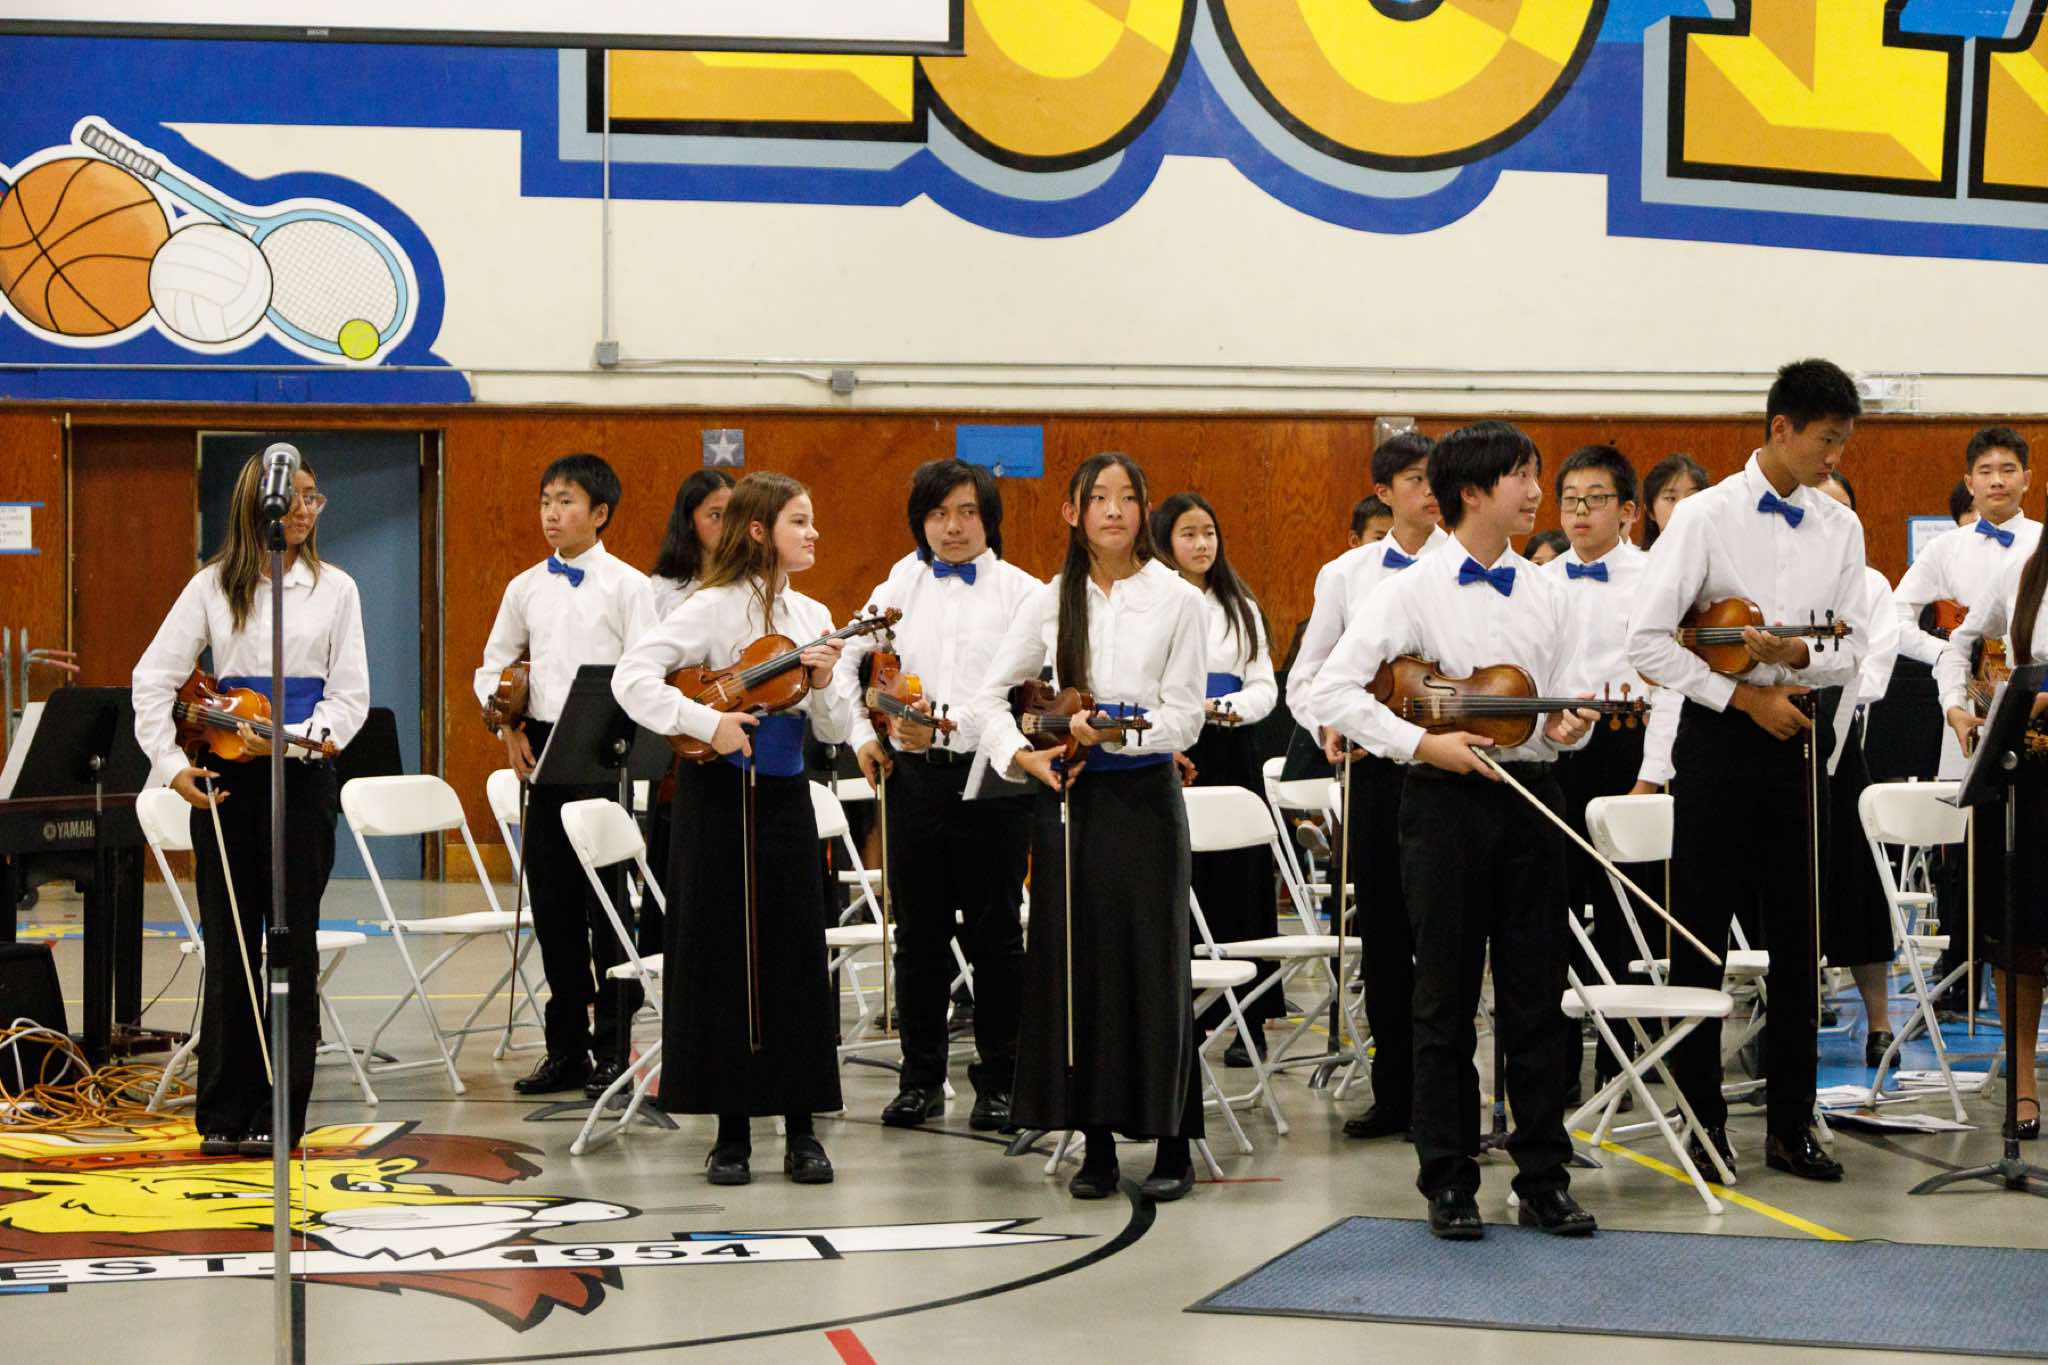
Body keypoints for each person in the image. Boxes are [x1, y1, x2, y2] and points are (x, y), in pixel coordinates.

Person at [1310, 420, 1599, 1240]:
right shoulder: (1409, 589)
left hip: (1532, 798)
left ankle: (1544, 1176)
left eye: (1536, 475)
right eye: (1522, 477)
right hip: (1442, 803)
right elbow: (1333, 690)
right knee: (1442, 996)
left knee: (1537, 997)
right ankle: (1448, 1177)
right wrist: (1420, 742)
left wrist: (1568, 727)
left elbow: (1562, 708)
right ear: (1472, 492)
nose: (1537, 492)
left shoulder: (1551, 590)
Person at [1627, 358, 1867, 1183]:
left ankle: (1794, 1125)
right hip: (1720, 736)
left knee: (1800, 938)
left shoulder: (1841, 526)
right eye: (1825, 440)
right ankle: (1701, 1121)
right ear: (1781, 428)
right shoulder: (1704, 516)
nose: (1834, 457)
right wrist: (1741, 696)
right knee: (1700, 934)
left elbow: (1855, 645)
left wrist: (1799, 656)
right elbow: (1647, 640)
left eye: (1843, 443)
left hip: (1797, 733)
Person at [974, 452, 1207, 1202]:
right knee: (1077, 970)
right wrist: (1024, 757)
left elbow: (1185, 716)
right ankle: (1096, 1142)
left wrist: (1114, 734)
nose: (1112, 510)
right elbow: (987, 698)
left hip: (1145, 801)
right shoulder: (1050, 599)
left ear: (1144, 511)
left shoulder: (1178, 600)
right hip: (1069, 800)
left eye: (1127, 497)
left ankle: (1173, 1141)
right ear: (1072, 512)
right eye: (1097, 497)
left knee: (1155, 965)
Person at [613, 471, 846, 1186]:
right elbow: (632, 677)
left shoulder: (813, 614)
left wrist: (826, 683)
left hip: (785, 795)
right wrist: (704, 721)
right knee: (720, 956)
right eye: (799, 521)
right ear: (759, 530)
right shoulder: (709, 607)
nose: (813, 533)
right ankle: (731, 1131)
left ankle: (803, 1127)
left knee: (795, 954)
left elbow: (834, 728)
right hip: (715, 796)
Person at [132, 453, 369, 1154]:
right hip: (226, 783)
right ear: (256, 503)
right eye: (292, 497)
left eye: (312, 497)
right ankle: (224, 1110)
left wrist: (301, 741)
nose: (304, 509)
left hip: (302, 781)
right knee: (231, 947)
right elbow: (152, 680)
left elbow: (350, 694)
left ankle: (281, 1110)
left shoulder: (337, 588)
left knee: (292, 944)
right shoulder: (211, 586)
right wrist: (172, 766)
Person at [832, 459, 1041, 1132]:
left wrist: (952, 726)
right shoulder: (899, 583)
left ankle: (1001, 1081)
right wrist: (860, 734)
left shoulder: (1024, 593)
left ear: (989, 519)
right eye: (938, 513)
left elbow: (1021, 690)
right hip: (913, 779)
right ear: (920, 521)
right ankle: (919, 1079)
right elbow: (844, 658)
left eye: (967, 512)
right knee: (917, 935)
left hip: (993, 777)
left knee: (996, 933)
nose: (952, 527)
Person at [475, 453, 656, 1099]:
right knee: (551, 904)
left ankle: (613, 1047)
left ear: (600, 513)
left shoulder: (630, 586)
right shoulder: (525, 586)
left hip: (606, 748)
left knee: (606, 905)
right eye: (546, 501)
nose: (552, 514)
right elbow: (491, 667)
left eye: (567, 501)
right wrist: (507, 728)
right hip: (543, 748)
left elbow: (648, 669)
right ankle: (566, 1049)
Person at [1285, 431, 1445, 1142]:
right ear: (1384, 492)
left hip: (1447, 765)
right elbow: (1307, 677)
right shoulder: (1344, 575)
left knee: (1443, 936)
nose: (1430, 491)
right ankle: (1393, 1092)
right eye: (1415, 479)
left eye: (1436, 478)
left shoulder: (1464, 565)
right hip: (1376, 770)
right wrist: (1327, 722)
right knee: (1382, 936)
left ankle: (1444, 1097)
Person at [1542, 445, 1679, 1101]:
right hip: (1558, 750)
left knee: (1631, 910)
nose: (1580, 512)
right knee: (1554, 908)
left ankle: (1629, 1058)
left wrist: (1650, 777)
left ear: (1627, 511)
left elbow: (1673, 685)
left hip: (1630, 748)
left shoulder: (1655, 576)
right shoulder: (1539, 581)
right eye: (1570, 499)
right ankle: (1558, 1062)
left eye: (1594, 499)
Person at [1893, 430, 2036, 1015]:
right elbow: (1896, 618)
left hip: (2034, 714)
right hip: (1968, 712)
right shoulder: (1946, 549)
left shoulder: (2040, 544)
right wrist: (1949, 660)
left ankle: (2019, 976)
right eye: (1986, 470)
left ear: (2028, 479)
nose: (1997, 479)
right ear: (1969, 482)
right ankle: (1960, 977)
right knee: (1964, 851)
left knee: (2027, 848)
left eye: (2008, 468)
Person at [1152, 490, 1279, 1067]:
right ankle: (1185, 1015)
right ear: (1165, 541)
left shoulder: (1240, 605)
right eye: (1188, 534)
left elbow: (1264, 685)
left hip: (1231, 744)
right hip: (1176, 744)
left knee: (1240, 877)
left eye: (1209, 532)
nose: (1202, 544)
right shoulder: (1157, 601)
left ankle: (1249, 1021)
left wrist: (1229, 709)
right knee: (1187, 875)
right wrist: (1187, 710)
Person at [1935, 525, 2048, 1142]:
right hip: (2026, 772)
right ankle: (2022, 1080)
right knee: (2018, 934)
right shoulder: (2021, 574)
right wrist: (1957, 704)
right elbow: (1958, 645)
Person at [1815, 469, 1903, 1064]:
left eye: (1840, 510)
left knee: (1859, 884)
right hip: (1775, 734)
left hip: (1841, 738)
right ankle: (1783, 1013)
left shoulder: (1870, 583)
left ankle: (1879, 1022)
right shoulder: (1775, 573)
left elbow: (1874, 671)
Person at [649, 469, 734, 620]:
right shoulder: (660, 590)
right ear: (690, 521)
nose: (727, 526)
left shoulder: (751, 586)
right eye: (715, 515)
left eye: (733, 515)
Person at [1641, 453, 1709, 551]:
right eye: (1671, 498)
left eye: (1692, 496)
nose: (1682, 506)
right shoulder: (1639, 560)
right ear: (1651, 512)